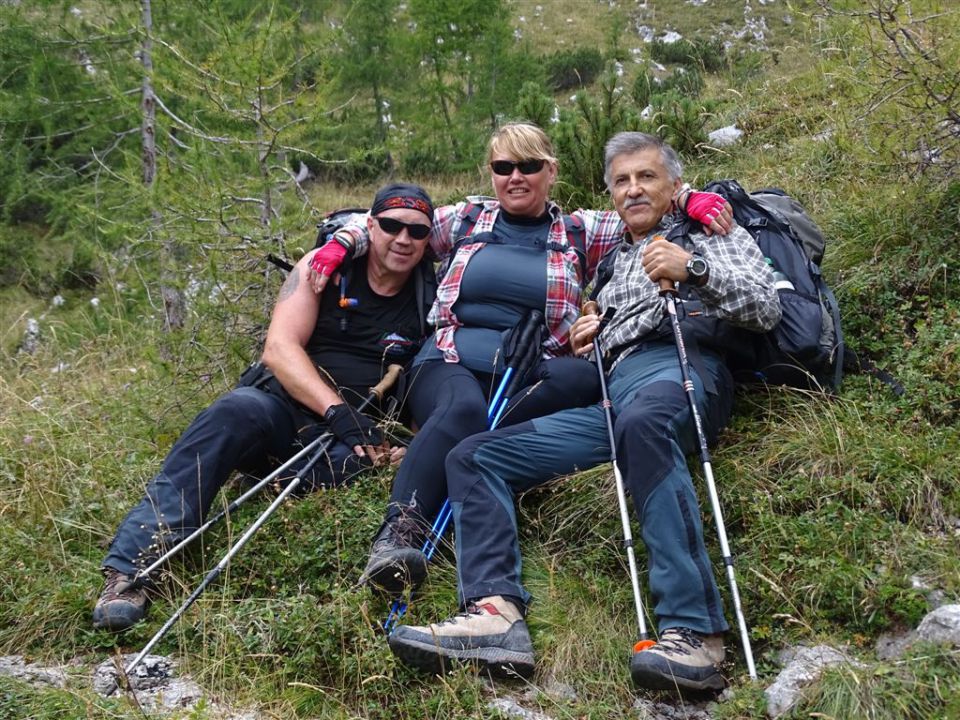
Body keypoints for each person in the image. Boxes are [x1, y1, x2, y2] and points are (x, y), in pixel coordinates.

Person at [385, 132, 782, 694]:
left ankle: (695, 635)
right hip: (613, 392)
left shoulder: (707, 231)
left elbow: (765, 306)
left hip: (681, 370)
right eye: (622, 181)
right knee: (474, 455)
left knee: (644, 424)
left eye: (646, 177)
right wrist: (592, 336)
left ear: (674, 185)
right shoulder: (615, 254)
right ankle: (495, 614)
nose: (633, 189)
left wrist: (694, 268)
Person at [307, 123, 734, 599]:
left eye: (529, 166)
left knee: (585, 376)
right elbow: (385, 221)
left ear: (550, 171)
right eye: (502, 167)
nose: (516, 176)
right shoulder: (466, 219)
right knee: (464, 409)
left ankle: (453, 457)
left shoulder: (581, 230)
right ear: (491, 173)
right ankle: (400, 533)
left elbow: (643, 201)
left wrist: (693, 200)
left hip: (533, 368)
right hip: (452, 360)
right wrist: (338, 246)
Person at [92, 183, 438, 632]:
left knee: (363, 468)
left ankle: (271, 478)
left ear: (429, 237)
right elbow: (279, 348)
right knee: (233, 412)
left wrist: (403, 440)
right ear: (370, 226)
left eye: (416, 231)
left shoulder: (431, 294)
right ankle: (131, 570)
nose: (402, 239)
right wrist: (336, 411)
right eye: (391, 225)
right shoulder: (322, 269)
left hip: (353, 438)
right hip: (283, 410)